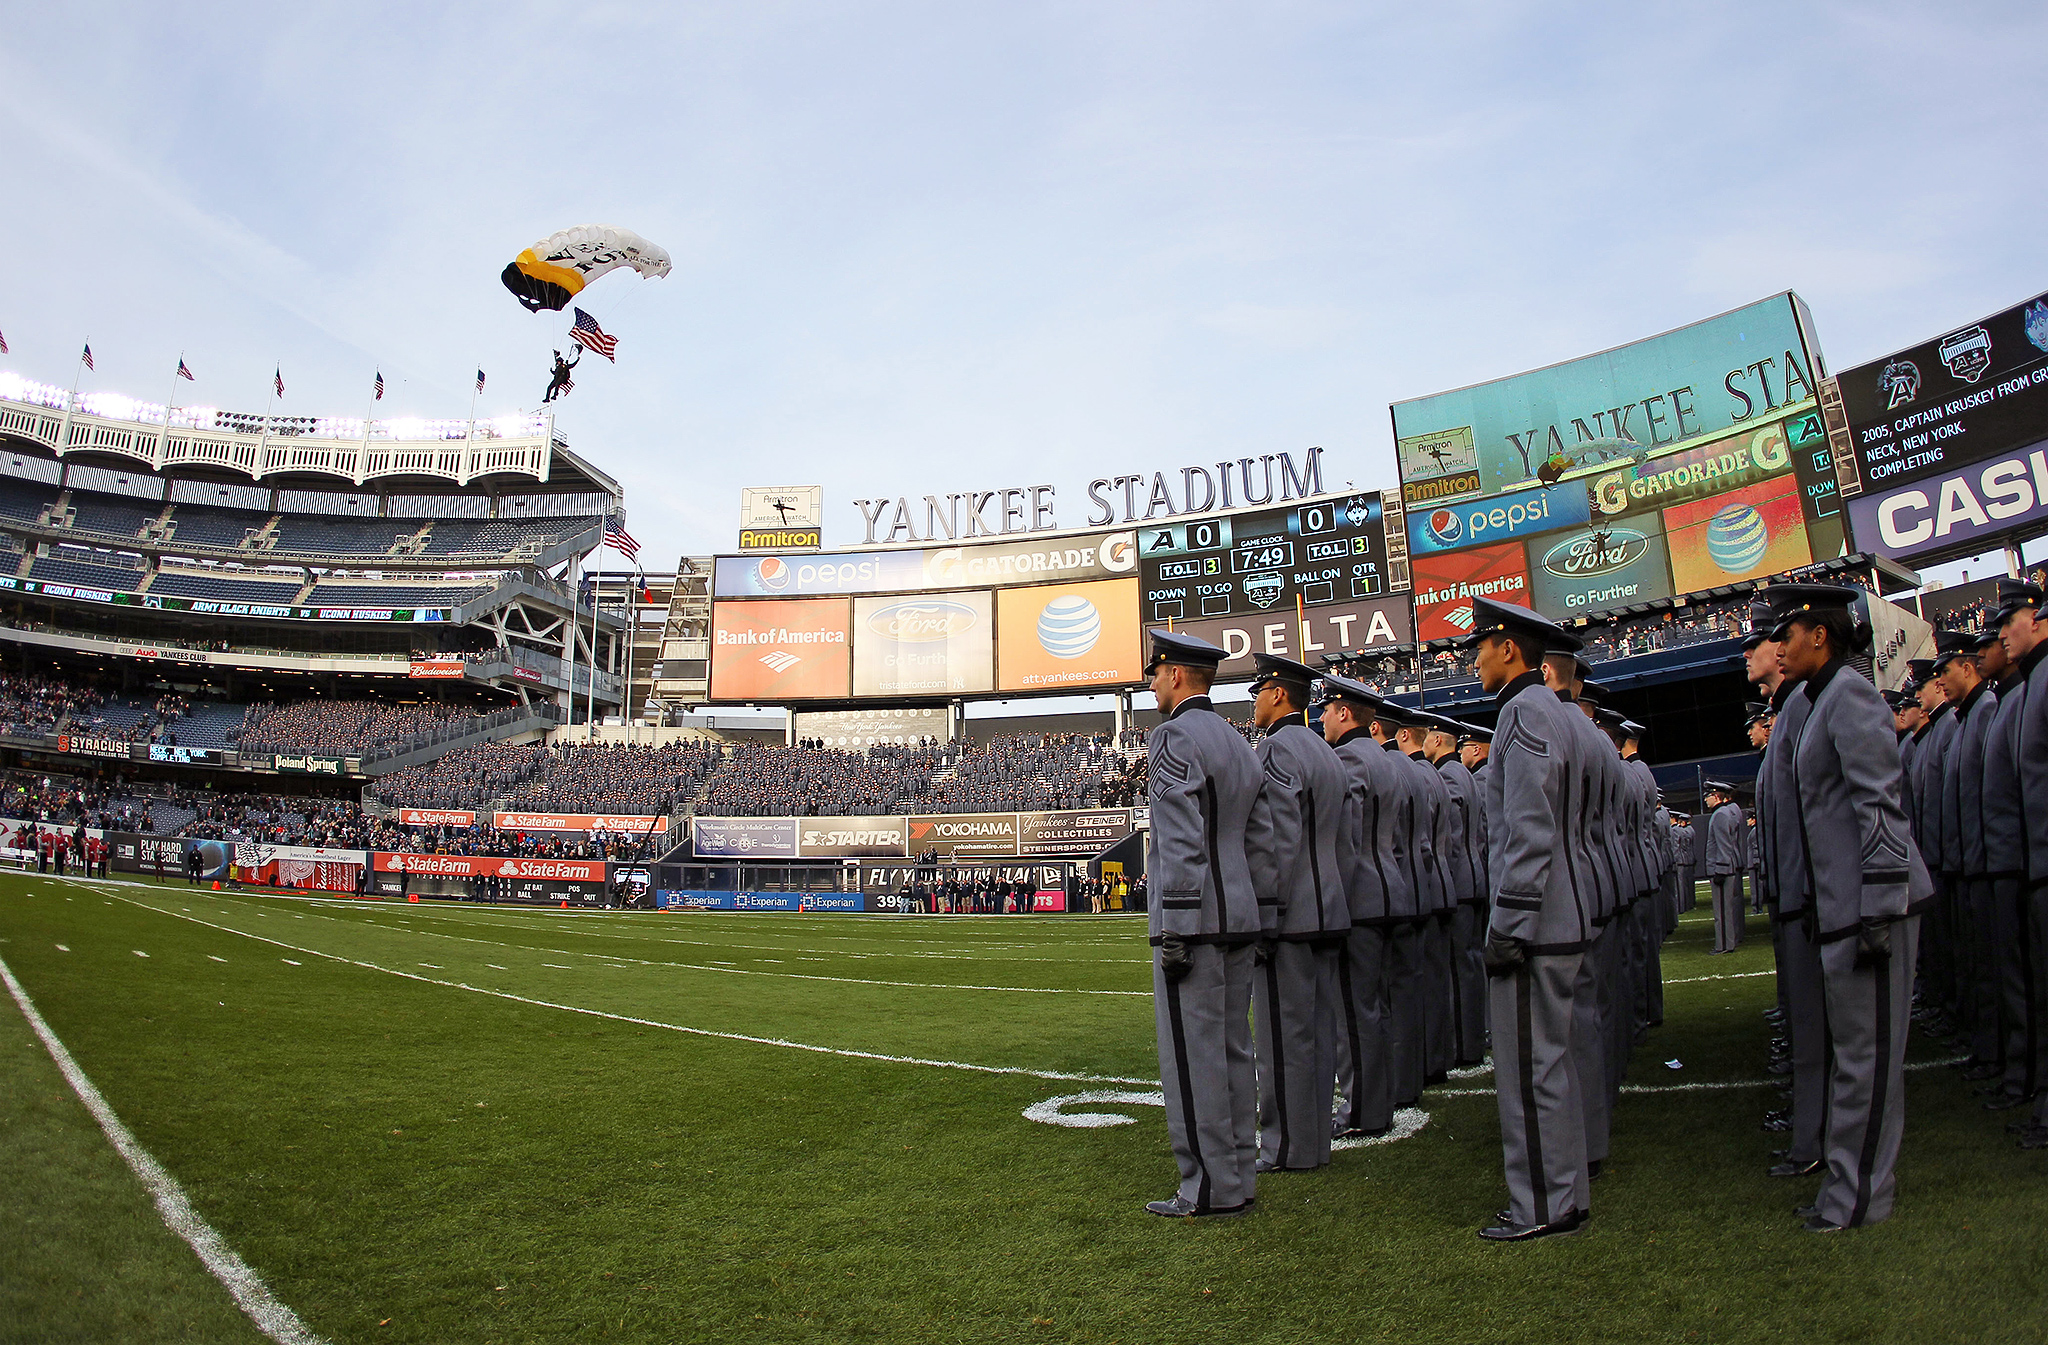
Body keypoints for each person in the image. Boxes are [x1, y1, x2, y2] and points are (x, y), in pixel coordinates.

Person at [1764, 581, 1930, 1231]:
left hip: (1870, 907)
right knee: (1856, 1058)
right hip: (1846, 908)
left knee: (1869, 1063)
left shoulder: (1850, 693)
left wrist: (1880, 907)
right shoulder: (1821, 697)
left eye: (1786, 633)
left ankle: (1859, 1196)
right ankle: (1846, 1185)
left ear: (1819, 633)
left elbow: (1878, 805)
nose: (1778, 646)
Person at [1463, 596, 1594, 1241]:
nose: (1473, 657)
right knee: (1551, 1062)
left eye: (1480, 645)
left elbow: (1529, 828)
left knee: (1529, 1068)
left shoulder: (1523, 712)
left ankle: (1542, 1202)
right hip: (1559, 912)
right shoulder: (1549, 710)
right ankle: (1564, 1193)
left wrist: (1509, 925)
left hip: (1536, 922)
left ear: (1508, 648)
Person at [1141, 630, 1270, 1218]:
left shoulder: (1173, 737)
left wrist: (1179, 924)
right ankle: (1240, 1173)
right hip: (1240, 914)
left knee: (1193, 1060)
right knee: (1233, 1051)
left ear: (1175, 676)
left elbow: (1181, 837)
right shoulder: (1242, 743)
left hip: (1195, 921)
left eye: (1155, 674)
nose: (1150, 685)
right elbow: (1263, 839)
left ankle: (1208, 1187)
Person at [1244, 654, 1350, 1173]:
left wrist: (1265, 914)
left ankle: (1288, 1147)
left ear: (1278, 694)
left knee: (1282, 1039)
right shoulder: (1327, 753)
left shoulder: (1277, 751)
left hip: (1291, 917)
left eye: (1257, 691)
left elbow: (1274, 842)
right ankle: (1314, 1142)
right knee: (1318, 1030)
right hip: (1330, 908)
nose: (1254, 702)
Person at [1319, 675, 1412, 1142]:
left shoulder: (1350, 758)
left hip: (1359, 895)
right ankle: (1378, 1100)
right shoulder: (1385, 758)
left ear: (1344, 712)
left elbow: (1346, 835)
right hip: (1389, 888)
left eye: (1327, 710)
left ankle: (1362, 1110)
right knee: (1376, 1006)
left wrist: (1328, 896)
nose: (1321, 718)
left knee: (1354, 1012)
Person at [1705, 783, 1746, 954]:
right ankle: (1726, 943)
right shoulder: (1721, 813)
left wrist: (1720, 870)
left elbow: (1724, 845)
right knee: (1724, 910)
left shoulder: (1720, 815)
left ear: (1716, 796)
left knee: (1721, 911)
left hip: (1722, 869)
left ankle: (1723, 945)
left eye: (1707, 796)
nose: (1705, 800)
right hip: (1724, 867)